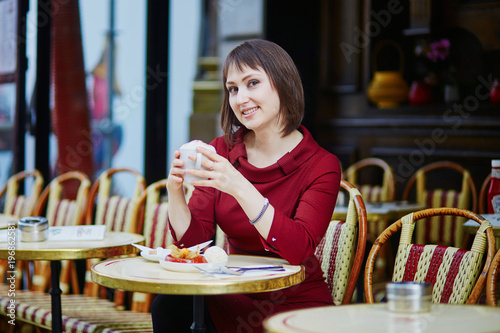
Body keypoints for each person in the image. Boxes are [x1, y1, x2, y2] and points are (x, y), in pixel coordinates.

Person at [152, 39, 341, 333]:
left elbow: (298, 248)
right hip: (231, 292)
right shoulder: (221, 151)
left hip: (292, 301)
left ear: (283, 84)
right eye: (233, 89)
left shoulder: (321, 165)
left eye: (253, 83)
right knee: (170, 304)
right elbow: (191, 245)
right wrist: (175, 192)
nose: (241, 98)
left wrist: (238, 185)